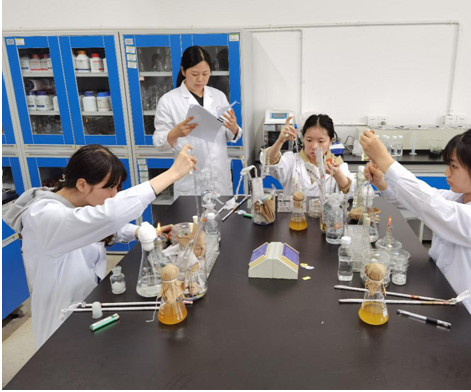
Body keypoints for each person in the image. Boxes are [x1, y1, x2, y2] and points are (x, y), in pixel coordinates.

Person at [360, 126, 471, 367]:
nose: (447, 172)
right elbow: (423, 199)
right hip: (448, 305)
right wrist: (383, 183)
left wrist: (386, 160)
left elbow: (433, 206)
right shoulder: (460, 198)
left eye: (454, 166)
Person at [4, 144, 197, 350]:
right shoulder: (43, 216)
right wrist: (172, 174)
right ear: (82, 184)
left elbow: (100, 228)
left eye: (117, 188)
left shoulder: (77, 204)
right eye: (109, 188)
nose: (113, 195)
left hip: (87, 304)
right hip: (60, 319)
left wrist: (137, 231)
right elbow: (104, 218)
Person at [153, 45, 242, 198]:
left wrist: (233, 128)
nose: (200, 79)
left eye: (205, 74)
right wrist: (174, 133)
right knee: (191, 213)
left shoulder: (218, 96)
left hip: (219, 179)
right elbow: (158, 143)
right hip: (190, 180)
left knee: (222, 213)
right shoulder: (168, 101)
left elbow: (228, 135)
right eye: (194, 74)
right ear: (183, 71)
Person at [260, 114, 353, 196]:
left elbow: (349, 192)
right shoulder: (292, 161)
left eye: (321, 141)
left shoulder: (339, 166)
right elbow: (270, 161)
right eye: (309, 140)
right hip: (294, 210)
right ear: (303, 138)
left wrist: (337, 174)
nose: (314, 146)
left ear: (330, 142)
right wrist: (280, 140)